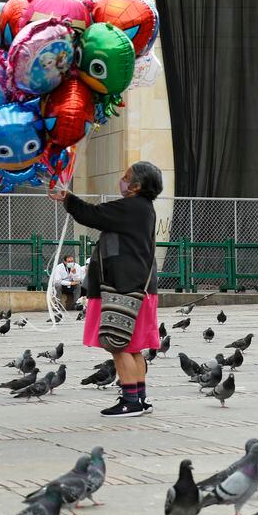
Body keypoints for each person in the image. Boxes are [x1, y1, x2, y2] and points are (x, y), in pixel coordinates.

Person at [50, 161, 162, 417]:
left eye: (126, 177)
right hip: (137, 287)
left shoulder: (131, 207)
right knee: (132, 346)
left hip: (123, 287)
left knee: (117, 344)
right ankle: (139, 399)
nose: (121, 180)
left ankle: (130, 401)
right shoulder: (144, 209)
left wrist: (67, 198)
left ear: (137, 185)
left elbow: (92, 214)